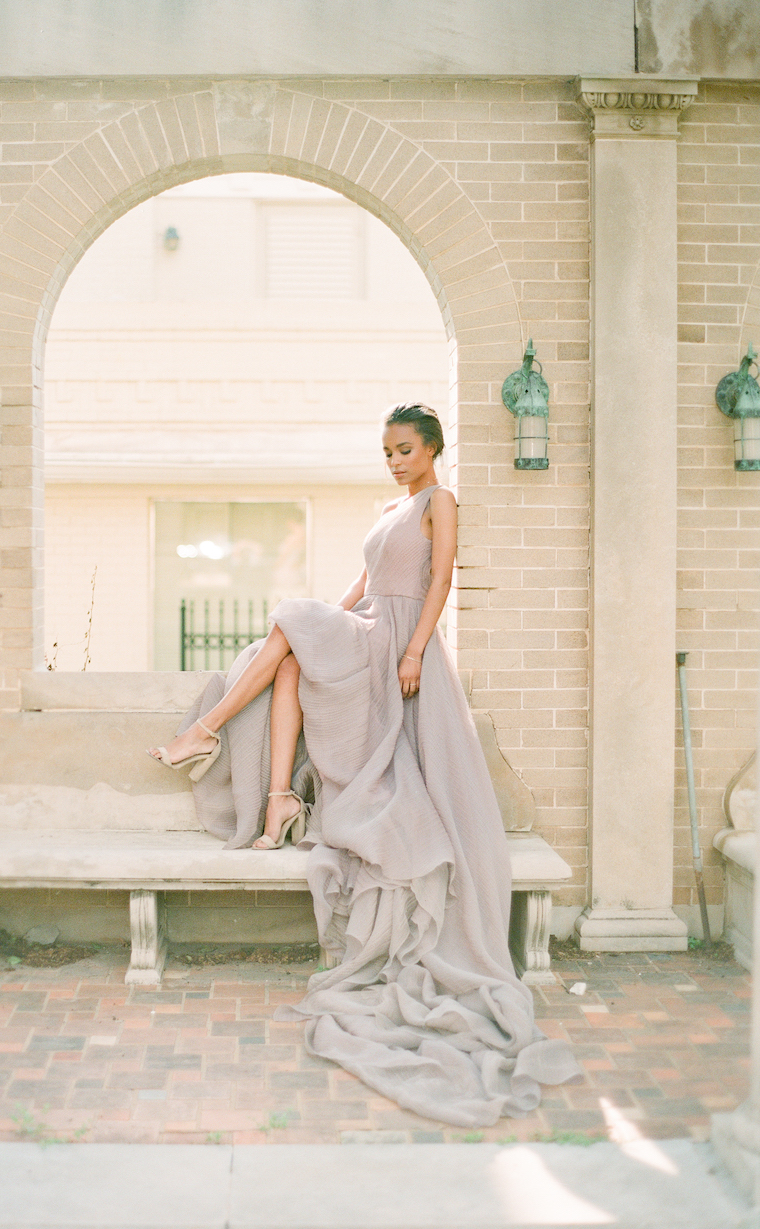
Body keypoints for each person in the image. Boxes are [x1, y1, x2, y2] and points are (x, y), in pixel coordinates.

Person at [149, 403, 581, 1127]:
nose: (394, 461)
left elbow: (440, 581)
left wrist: (414, 648)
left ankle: (206, 730)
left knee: (288, 628)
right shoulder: (392, 505)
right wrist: (323, 621)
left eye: (405, 449)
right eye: (386, 450)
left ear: (433, 448)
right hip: (371, 628)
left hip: (402, 646)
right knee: (287, 655)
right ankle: (280, 797)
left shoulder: (440, 500)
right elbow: (360, 581)